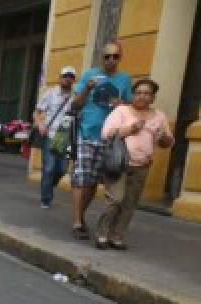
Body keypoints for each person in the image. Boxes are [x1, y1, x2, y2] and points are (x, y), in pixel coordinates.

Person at [95, 78, 175, 250]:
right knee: (116, 200)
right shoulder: (122, 111)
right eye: (139, 93)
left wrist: (164, 139)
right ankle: (102, 234)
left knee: (130, 204)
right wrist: (131, 129)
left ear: (153, 97)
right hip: (118, 163)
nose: (142, 96)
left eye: (147, 93)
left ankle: (116, 237)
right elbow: (106, 133)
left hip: (142, 166)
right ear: (133, 95)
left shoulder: (159, 116)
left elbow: (167, 142)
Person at [70, 41, 132, 240]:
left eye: (115, 56)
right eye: (107, 56)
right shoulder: (89, 75)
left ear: (120, 57)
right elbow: (75, 105)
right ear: (101, 57)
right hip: (87, 133)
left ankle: (80, 217)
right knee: (82, 180)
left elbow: (130, 106)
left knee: (93, 182)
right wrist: (87, 89)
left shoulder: (124, 79)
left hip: (110, 138)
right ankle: (77, 221)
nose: (111, 60)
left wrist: (122, 104)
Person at [34, 66, 77, 209]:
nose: (67, 79)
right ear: (60, 77)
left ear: (73, 79)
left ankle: (47, 185)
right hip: (51, 135)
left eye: (71, 76)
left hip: (66, 138)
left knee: (63, 169)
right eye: (65, 76)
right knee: (49, 168)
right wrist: (40, 124)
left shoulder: (76, 96)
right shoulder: (51, 94)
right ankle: (45, 198)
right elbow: (37, 111)